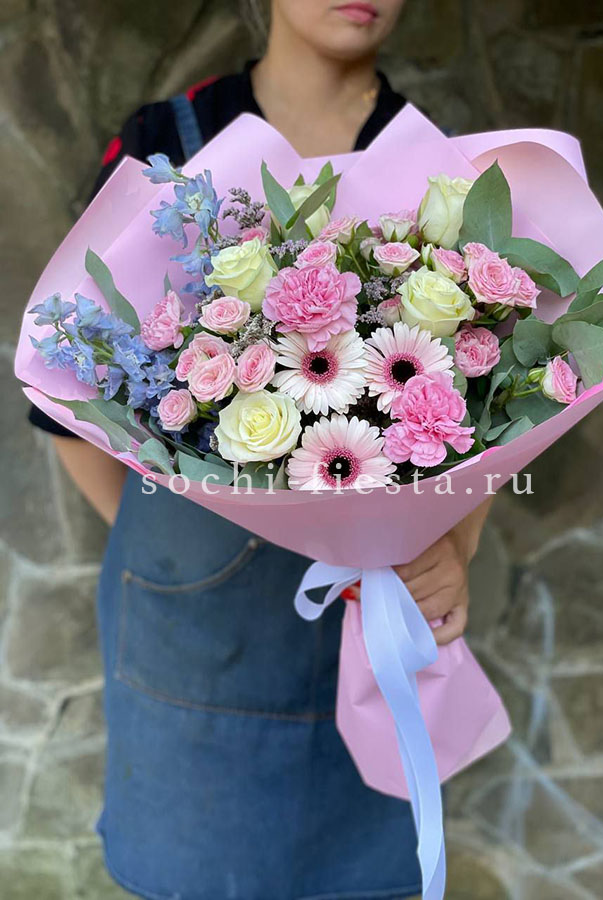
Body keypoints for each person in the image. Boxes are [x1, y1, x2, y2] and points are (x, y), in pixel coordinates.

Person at [30, 2, 492, 898]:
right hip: (194, 637)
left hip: (374, 621)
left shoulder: (444, 168)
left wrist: (455, 545)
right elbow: (66, 393)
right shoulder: (164, 146)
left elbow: (486, 401)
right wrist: (174, 540)